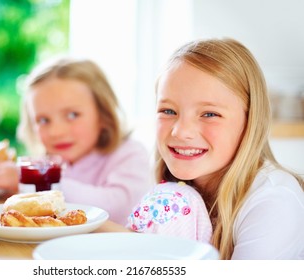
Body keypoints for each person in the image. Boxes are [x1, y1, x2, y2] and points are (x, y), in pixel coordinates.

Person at [102, 38, 304, 260]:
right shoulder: (175, 197)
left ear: (251, 121)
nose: (181, 131)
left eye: (209, 114)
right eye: (168, 111)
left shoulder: (274, 201)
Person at [0, 57, 153, 225]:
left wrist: (34, 180)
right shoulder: (48, 162)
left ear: (103, 114)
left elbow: (119, 207)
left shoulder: (130, 154)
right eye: (43, 120)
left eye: (72, 115)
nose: (56, 132)